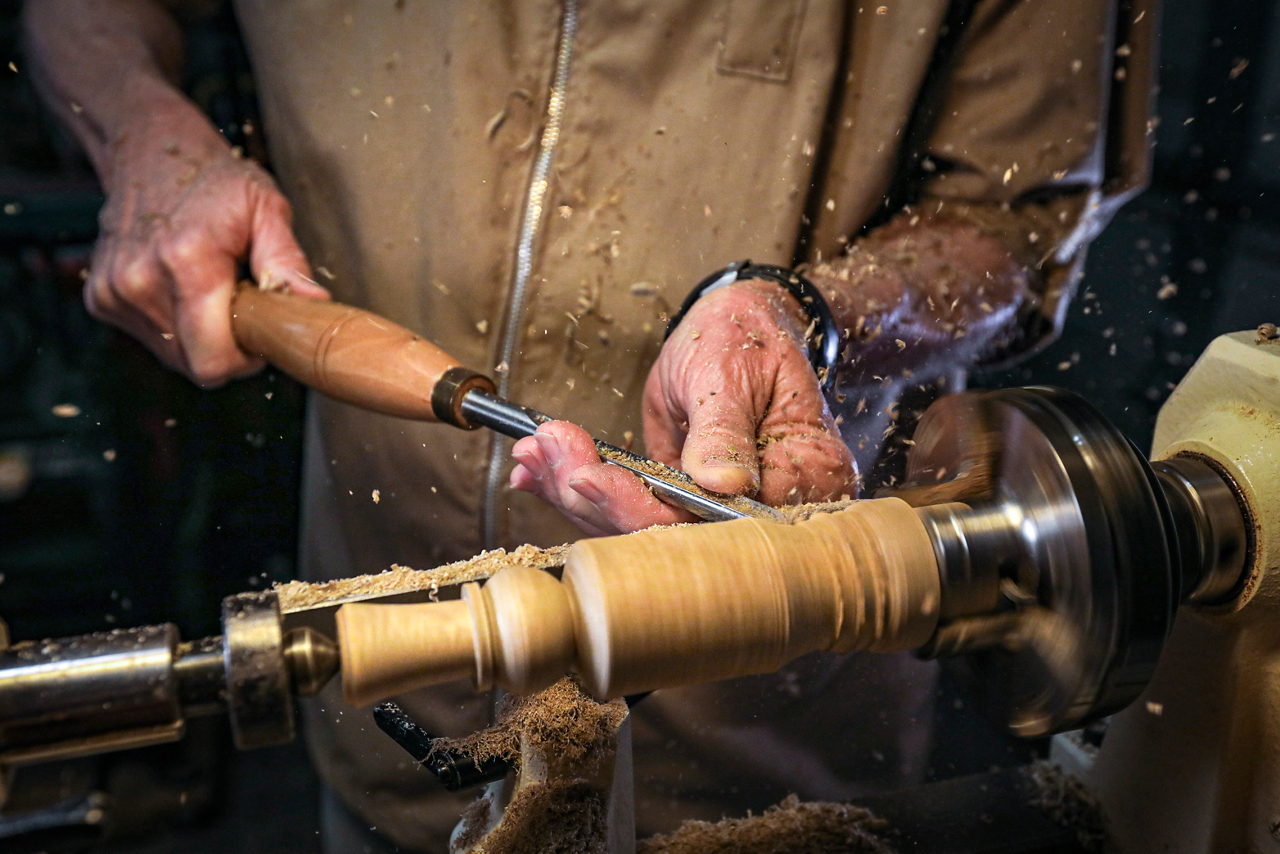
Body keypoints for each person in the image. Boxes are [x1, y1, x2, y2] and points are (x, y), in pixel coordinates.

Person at [24, 0, 1154, 850]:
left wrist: (802, 314)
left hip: (759, 758)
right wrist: (140, 129)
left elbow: (1013, 223)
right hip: (378, 693)